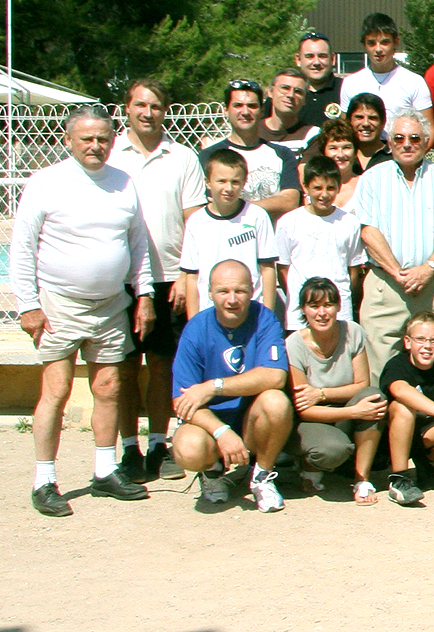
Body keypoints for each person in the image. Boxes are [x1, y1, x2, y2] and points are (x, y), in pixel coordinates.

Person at [18, 108, 157, 516]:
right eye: (87, 139)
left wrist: (144, 296)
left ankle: (104, 470)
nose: (96, 146)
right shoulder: (46, 183)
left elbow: (138, 246)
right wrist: (28, 305)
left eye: (103, 138)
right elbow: (23, 248)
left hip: (112, 305)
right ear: (69, 140)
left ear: (113, 140)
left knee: (110, 388)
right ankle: (44, 480)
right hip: (59, 303)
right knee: (56, 391)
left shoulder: (123, 183)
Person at [109, 79, 206, 484]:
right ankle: (128, 449)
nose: (148, 113)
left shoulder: (182, 157)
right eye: (140, 105)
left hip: (170, 277)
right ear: (126, 109)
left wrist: (187, 275)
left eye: (156, 106)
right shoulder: (111, 155)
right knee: (123, 368)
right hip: (121, 280)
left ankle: (158, 443)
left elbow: (193, 222)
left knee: (162, 365)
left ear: (166, 111)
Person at [170, 261, 292, 513]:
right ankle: (212, 473)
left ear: (252, 290)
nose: (232, 299)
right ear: (210, 293)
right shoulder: (195, 329)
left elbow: (275, 376)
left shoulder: (264, 318)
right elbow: (181, 401)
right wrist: (221, 432)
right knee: (188, 449)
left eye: (240, 291)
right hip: (211, 422)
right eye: (223, 291)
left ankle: (261, 476)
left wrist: (213, 386)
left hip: (250, 418)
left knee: (276, 402)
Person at [352, 110, 434, 373]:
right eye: (399, 137)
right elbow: (368, 231)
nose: (407, 143)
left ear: (426, 141)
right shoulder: (372, 178)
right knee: (381, 369)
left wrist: (428, 268)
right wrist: (398, 273)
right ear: (389, 142)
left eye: (415, 138)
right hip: (386, 286)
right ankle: (386, 416)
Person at [284, 278, 386, 503]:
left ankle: (362, 478)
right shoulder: (294, 344)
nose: (322, 313)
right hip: (311, 421)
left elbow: (362, 384)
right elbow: (304, 409)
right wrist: (354, 413)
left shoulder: (353, 332)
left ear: (339, 307)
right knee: (334, 450)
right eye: (314, 306)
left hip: (344, 409)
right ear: (303, 310)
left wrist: (320, 393)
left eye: (328, 305)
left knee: (374, 397)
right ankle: (308, 464)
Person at [377, 311, 434, 506]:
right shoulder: (397, 364)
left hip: (424, 437)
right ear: (407, 342)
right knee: (404, 407)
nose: (427, 346)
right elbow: (399, 389)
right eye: (420, 339)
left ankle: (426, 460)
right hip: (390, 437)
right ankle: (399, 479)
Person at [178, 149, 279, 316]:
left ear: (244, 182)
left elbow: (267, 269)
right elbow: (192, 277)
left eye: (235, 182)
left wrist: (267, 315)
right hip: (209, 313)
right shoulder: (196, 222)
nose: (228, 188)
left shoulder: (257, 216)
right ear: (208, 182)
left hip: (250, 312)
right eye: (221, 181)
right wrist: (193, 322)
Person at [274, 156, 367, 331]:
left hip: (339, 311)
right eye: (317, 188)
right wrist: (299, 299)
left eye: (330, 188)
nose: (324, 194)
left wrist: (344, 299)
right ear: (306, 187)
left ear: (339, 188)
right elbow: (283, 269)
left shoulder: (350, 222)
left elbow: (353, 270)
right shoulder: (288, 222)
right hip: (300, 314)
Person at [202, 78, 301, 219]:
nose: (245, 112)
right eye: (238, 105)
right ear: (226, 110)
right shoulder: (209, 155)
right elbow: (208, 204)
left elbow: (290, 201)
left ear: (261, 110)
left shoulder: (282, 154)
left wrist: (239, 207)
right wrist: (271, 204)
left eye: (252, 106)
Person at [339, 12, 434, 131]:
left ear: (396, 42)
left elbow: (429, 128)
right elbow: (344, 128)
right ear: (364, 44)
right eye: (371, 43)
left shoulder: (414, 82)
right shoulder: (351, 83)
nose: (378, 49)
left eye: (384, 42)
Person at [293, 31, 344, 131]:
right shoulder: (287, 93)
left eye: (322, 56)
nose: (316, 62)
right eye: (309, 56)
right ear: (298, 59)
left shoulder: (346, 89)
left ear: (333, 59)